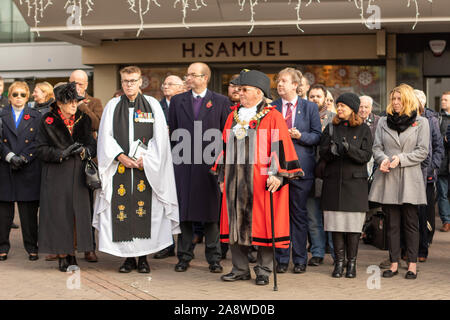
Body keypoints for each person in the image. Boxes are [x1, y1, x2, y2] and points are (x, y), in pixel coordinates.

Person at [212, 69, 304, 286]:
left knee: (264, 226)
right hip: (235, 181)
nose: (239, 93)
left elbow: (280, 147)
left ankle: (263, 270)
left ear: (258, 93)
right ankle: (240, 268)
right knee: (235, 224)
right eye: (239, 89)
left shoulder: (273, 116)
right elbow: (224, 147)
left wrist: (279, 175)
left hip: (261, 180)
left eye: (244, 89)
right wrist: (222, 176)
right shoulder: (232, 116)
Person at [94, 66, 179, 274]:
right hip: (119, 169)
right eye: (125, 81)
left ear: (140, 81)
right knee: (122, 211)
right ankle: (127, 259)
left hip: (146, 169)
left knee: (146, 212)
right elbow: (106, 137)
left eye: (133, 81)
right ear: (121, 83)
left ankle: (143, 259)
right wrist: (120, 156)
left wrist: (145, 159)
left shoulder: (152, 105)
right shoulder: (113, 106)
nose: (129, 85)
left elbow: (160, 139)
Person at [168, 62, 230, 273]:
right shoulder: (177, 101)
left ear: (205, 78)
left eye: (193, 75)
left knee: (211, 213)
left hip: (210, 166)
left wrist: (220, 164)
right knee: (184, 212)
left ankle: (214, 258)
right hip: (184, 164)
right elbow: (174, 132)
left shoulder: (221, 101)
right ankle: (184, 256)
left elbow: (225, 135)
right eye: (188, 75)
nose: (188, 78)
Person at [369, 84, 429, 280]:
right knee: (392, 224)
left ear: (408, 100)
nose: (395, 103)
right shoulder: (383, 122)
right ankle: (394, 263)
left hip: (410, 179)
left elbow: (422, 151)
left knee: (411, 223)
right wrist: (383, 159)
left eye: (399, 99)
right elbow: (376, 147)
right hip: (388, 178)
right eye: (393, 99)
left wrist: (400, 159)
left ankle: (412, 264)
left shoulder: (422, 123)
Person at [36, 82, 97, 272]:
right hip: (56, 173)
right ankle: (62, 255)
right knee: (59, 214)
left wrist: (86, 150)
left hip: (79, 172)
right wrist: (61, 153)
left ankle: (73, 253)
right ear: (59, 103)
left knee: (77, 214)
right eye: (70, 101)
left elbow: (92, 144)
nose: (74, 105)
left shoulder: (84, 119)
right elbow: (40, 149)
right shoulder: (47, 120)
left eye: (76, 101)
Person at [272, 68, 321, 273]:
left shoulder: (309, 107)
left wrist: (300, 136)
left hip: (301, 170)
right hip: (276, 169)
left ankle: (300, 259)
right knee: (278, 216)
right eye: (278, 81)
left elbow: (317, 136)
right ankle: (281, 260)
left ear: (295, 85)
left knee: (298, 216)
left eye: (284, 81)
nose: (279, 84)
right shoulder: (271, 107)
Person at [319, 93, 373, 278]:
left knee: (352, 228)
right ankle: (338, 263)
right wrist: (331, 151)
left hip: (355, 185)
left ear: (352, 108)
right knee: (336, 226)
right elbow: (322, 152)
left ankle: (352, 264)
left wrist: (349, 149)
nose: (339, 108)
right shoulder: (331, 127)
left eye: (343, 105)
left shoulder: (364, 129)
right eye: (338, 105)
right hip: (333, 183)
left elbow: (366, 156)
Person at [0, 81, 42, 262]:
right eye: (15, 94)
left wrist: (25, 157)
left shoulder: (36, 116)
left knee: (28, 214)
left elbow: (38, 140)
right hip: (5, 167)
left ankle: (32, 247)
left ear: (28, 96)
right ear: (9, 97)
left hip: (28, 168)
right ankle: (2, 247)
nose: (18, 98)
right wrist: (9, 156)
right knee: (3, 214)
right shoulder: (1, 115)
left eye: (22, 95)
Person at [69, 69, 104, 263]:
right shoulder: (62, 101)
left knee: (87, 209)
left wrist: (82, 106)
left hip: (88, 163)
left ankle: (89, 247)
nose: (77, 87)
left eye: (81, 83)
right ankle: (68, 248)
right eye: (74, 83)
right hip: (66, 161)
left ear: (86, 85)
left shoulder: (95, 102)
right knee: (67, 208)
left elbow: (96, 124)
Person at [152, 74, 185, 260]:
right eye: (164, 83)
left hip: (181, 156)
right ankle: (167, 244)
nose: (165, 86)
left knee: (179, 202)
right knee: (164, 202)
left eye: (170, 84)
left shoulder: (184, 104)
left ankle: (184, 245)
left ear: (181, 88)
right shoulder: (156, 106)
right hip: (162, 159)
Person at [305, 84, 335, 266]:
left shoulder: (334, 119)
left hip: (328, 176)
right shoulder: (303, 119)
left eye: (318, 96)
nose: (315, 99)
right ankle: (317, 252)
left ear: (325, 98)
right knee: (313, 217)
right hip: (308, 174)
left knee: (330, 217)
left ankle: (334, 251)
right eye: (311, 96)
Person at [414, 89, 443, 262]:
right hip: (410, 174)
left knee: (423, 213)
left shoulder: (430, 120)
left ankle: (422, 249)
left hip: (427, 175)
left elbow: (438, 147)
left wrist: (432, 168)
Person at [437, 91, 450, 232]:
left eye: (446, 100)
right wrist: (443, 139)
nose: (443, 102)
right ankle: (446, 221)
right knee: (443, 193)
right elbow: (435, 138)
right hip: (442, 162)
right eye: (442, 99)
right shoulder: (438, 118)